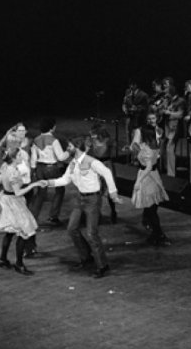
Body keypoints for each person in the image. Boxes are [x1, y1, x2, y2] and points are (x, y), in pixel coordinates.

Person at [44, 136, 122, 279]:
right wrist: (48, 182)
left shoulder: (92, 162)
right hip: (80, 199)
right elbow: (65, 180)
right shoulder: (73, 163)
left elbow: (107, 172)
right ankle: (86, 256)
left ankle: (103, 265)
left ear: (77, 147)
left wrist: (113, 193)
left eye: (69, 146)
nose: (67, 149)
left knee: (92, 233)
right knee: (72, 229)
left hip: (93, 200)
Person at [0, 148, 46, 276]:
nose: (21, 157)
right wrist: (34, 185)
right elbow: (18, 192)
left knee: (10, 232)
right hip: (13, 202)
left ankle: (3, 259)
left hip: (5, 198)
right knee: (25, 232)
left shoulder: (5, 167)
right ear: (13, 158)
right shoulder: (14, 172)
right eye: (19, 155)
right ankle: (19, 264)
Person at [131, 125, 171, 246]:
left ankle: (159, 234)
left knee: (151, 209)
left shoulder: (148, 149)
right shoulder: (151, 145)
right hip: (152, 175)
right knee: (150, 209)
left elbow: (148, 167)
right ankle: (155, 234)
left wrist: (138, 181)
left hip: (148, 177)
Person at [30, 117, 69, 226]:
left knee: (41, 194)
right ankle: (53, 216)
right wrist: (69, 152)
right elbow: (61, 157)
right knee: (60, 190)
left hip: (39, 168)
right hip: (52, 168)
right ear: (52, 127)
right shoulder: (54, 141)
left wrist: (33, 170)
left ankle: (33, 218)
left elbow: (33, 158)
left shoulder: (36, 140)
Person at [87, 123, 118, 223]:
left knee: (110, 190)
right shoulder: (91, 140)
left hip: (107, 165)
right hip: (97, 164)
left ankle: (113, 211)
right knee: (97, 190)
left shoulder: (108, 140)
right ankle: (97, 213)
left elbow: (115, 146)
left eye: (93, 133)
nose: (91, 135)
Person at [163, 84, 186, 177]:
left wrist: (169, 113)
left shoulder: (180, 101)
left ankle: (171, 173)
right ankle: (167, 169)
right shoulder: (167, 100)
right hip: (168, 127)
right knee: (165, 148)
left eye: (166, 92)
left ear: (171, 92)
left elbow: (180, 114)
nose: (165, 93)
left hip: (176, 127)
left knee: (170, 148)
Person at [122, 78, 149, 147]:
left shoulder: (143, 95)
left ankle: (136, 149)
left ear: (136, 85)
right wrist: (124, 108)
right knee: (128, 132)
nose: (130, 87)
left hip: (138, 120)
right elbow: (124, 103)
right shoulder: (128, 92)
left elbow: (146, 107)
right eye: (130, 85)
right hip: (129, 117)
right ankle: (129, 146)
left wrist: (136, 109)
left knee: (137, 136)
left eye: (132, 85)